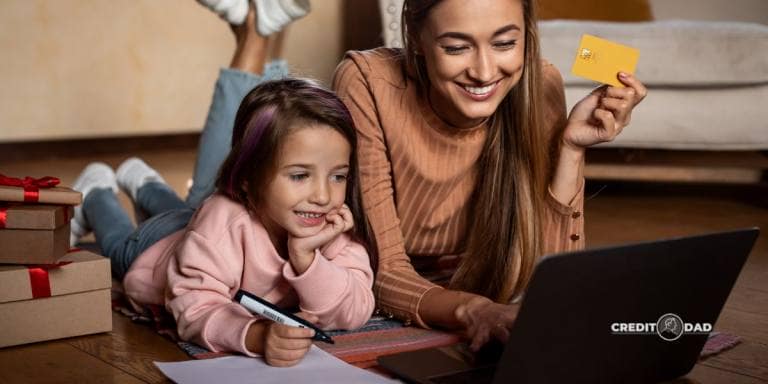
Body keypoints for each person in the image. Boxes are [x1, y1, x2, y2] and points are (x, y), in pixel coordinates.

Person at [69, 6, 375, 367]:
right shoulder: (224, 219)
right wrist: (255, 334)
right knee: (121, 245)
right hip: (158, 247)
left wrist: (307, 260)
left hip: (196, 230)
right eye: (299, 176)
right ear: (247, 180)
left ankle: (146, 182)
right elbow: (193, 304)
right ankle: (96, 194)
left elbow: (355, 309)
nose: (324, 196)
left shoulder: (332, 222)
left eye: (338, 176)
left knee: (188, 214)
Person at [332, 0, 647, 351]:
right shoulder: (367, 81)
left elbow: (545, 281)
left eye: (504, 44)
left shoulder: (541, 85)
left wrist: (571, 149)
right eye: (456, 47)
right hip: (379, 281)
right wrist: (476, 310)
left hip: (478, 281)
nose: (483, 72)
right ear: (416, 38)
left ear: (526, 36)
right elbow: (383, 270)